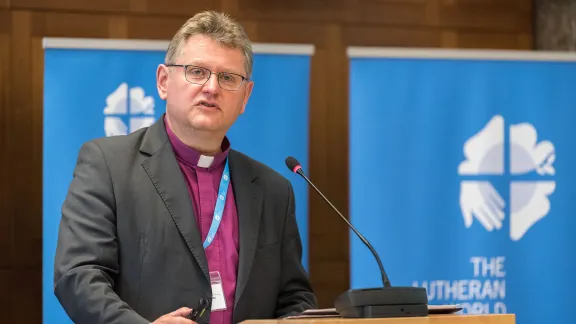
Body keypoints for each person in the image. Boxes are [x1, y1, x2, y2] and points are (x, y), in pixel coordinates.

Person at [53, 10, 317, 324]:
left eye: (228, 78)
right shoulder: (107, 165)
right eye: (197, 71)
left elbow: (294, 298)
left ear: (245, 97)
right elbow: (78, 276)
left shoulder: (274, 189)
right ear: (164, 81)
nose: (211, 87)